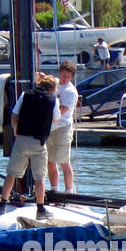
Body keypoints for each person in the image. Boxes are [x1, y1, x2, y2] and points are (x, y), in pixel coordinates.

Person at [0, 74, 56, 214]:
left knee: (11, 174)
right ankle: (40, 207)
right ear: (52, 88)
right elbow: (55, 120)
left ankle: (3, 203)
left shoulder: (25, 95)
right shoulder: (52, 100)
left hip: (22, 139)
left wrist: (15, 130)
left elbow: (14, 115)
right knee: (40, 177)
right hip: (38, 141)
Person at [46, 59, 79, 193]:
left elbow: (63, 110)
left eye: (68, 77)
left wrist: (46, 105)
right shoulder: (53, 83)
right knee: (50, 161)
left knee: (64, 161)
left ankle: (69, 190)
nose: (65, 79)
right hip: (50, 128)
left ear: (71, 77)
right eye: (63, 75)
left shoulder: (71, 91)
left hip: (63, 127)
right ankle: (54, 189)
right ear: (60, 73)